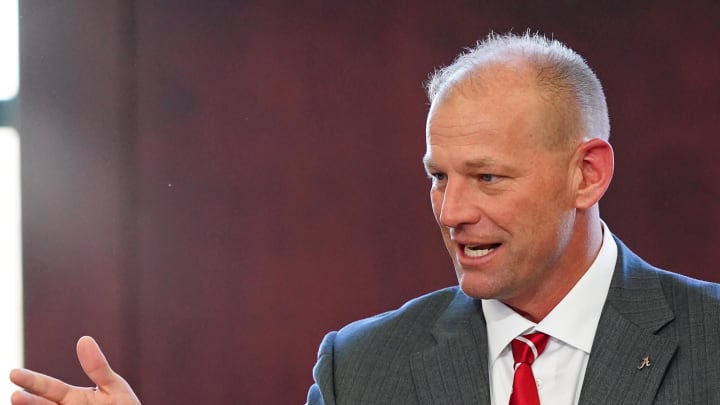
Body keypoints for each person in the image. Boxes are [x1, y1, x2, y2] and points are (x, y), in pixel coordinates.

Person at [8, 32, 720, 405]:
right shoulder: (364, 367)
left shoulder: (711, 341)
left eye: (488, 178)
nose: (452, 211)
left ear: (586, 173)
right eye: (438, 177)